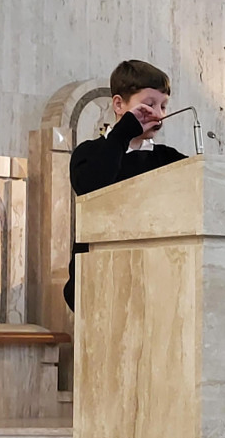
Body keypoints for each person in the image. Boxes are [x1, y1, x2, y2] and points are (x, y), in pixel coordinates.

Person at [64, 59, 187, 311]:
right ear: (119, 104)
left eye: (163, 106)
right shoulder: (88, 153)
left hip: (156, 284)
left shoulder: (169, 159)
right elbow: (94, 189)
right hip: (99, 281)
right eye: (149, 105)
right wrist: (124, 131)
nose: (159, 114)